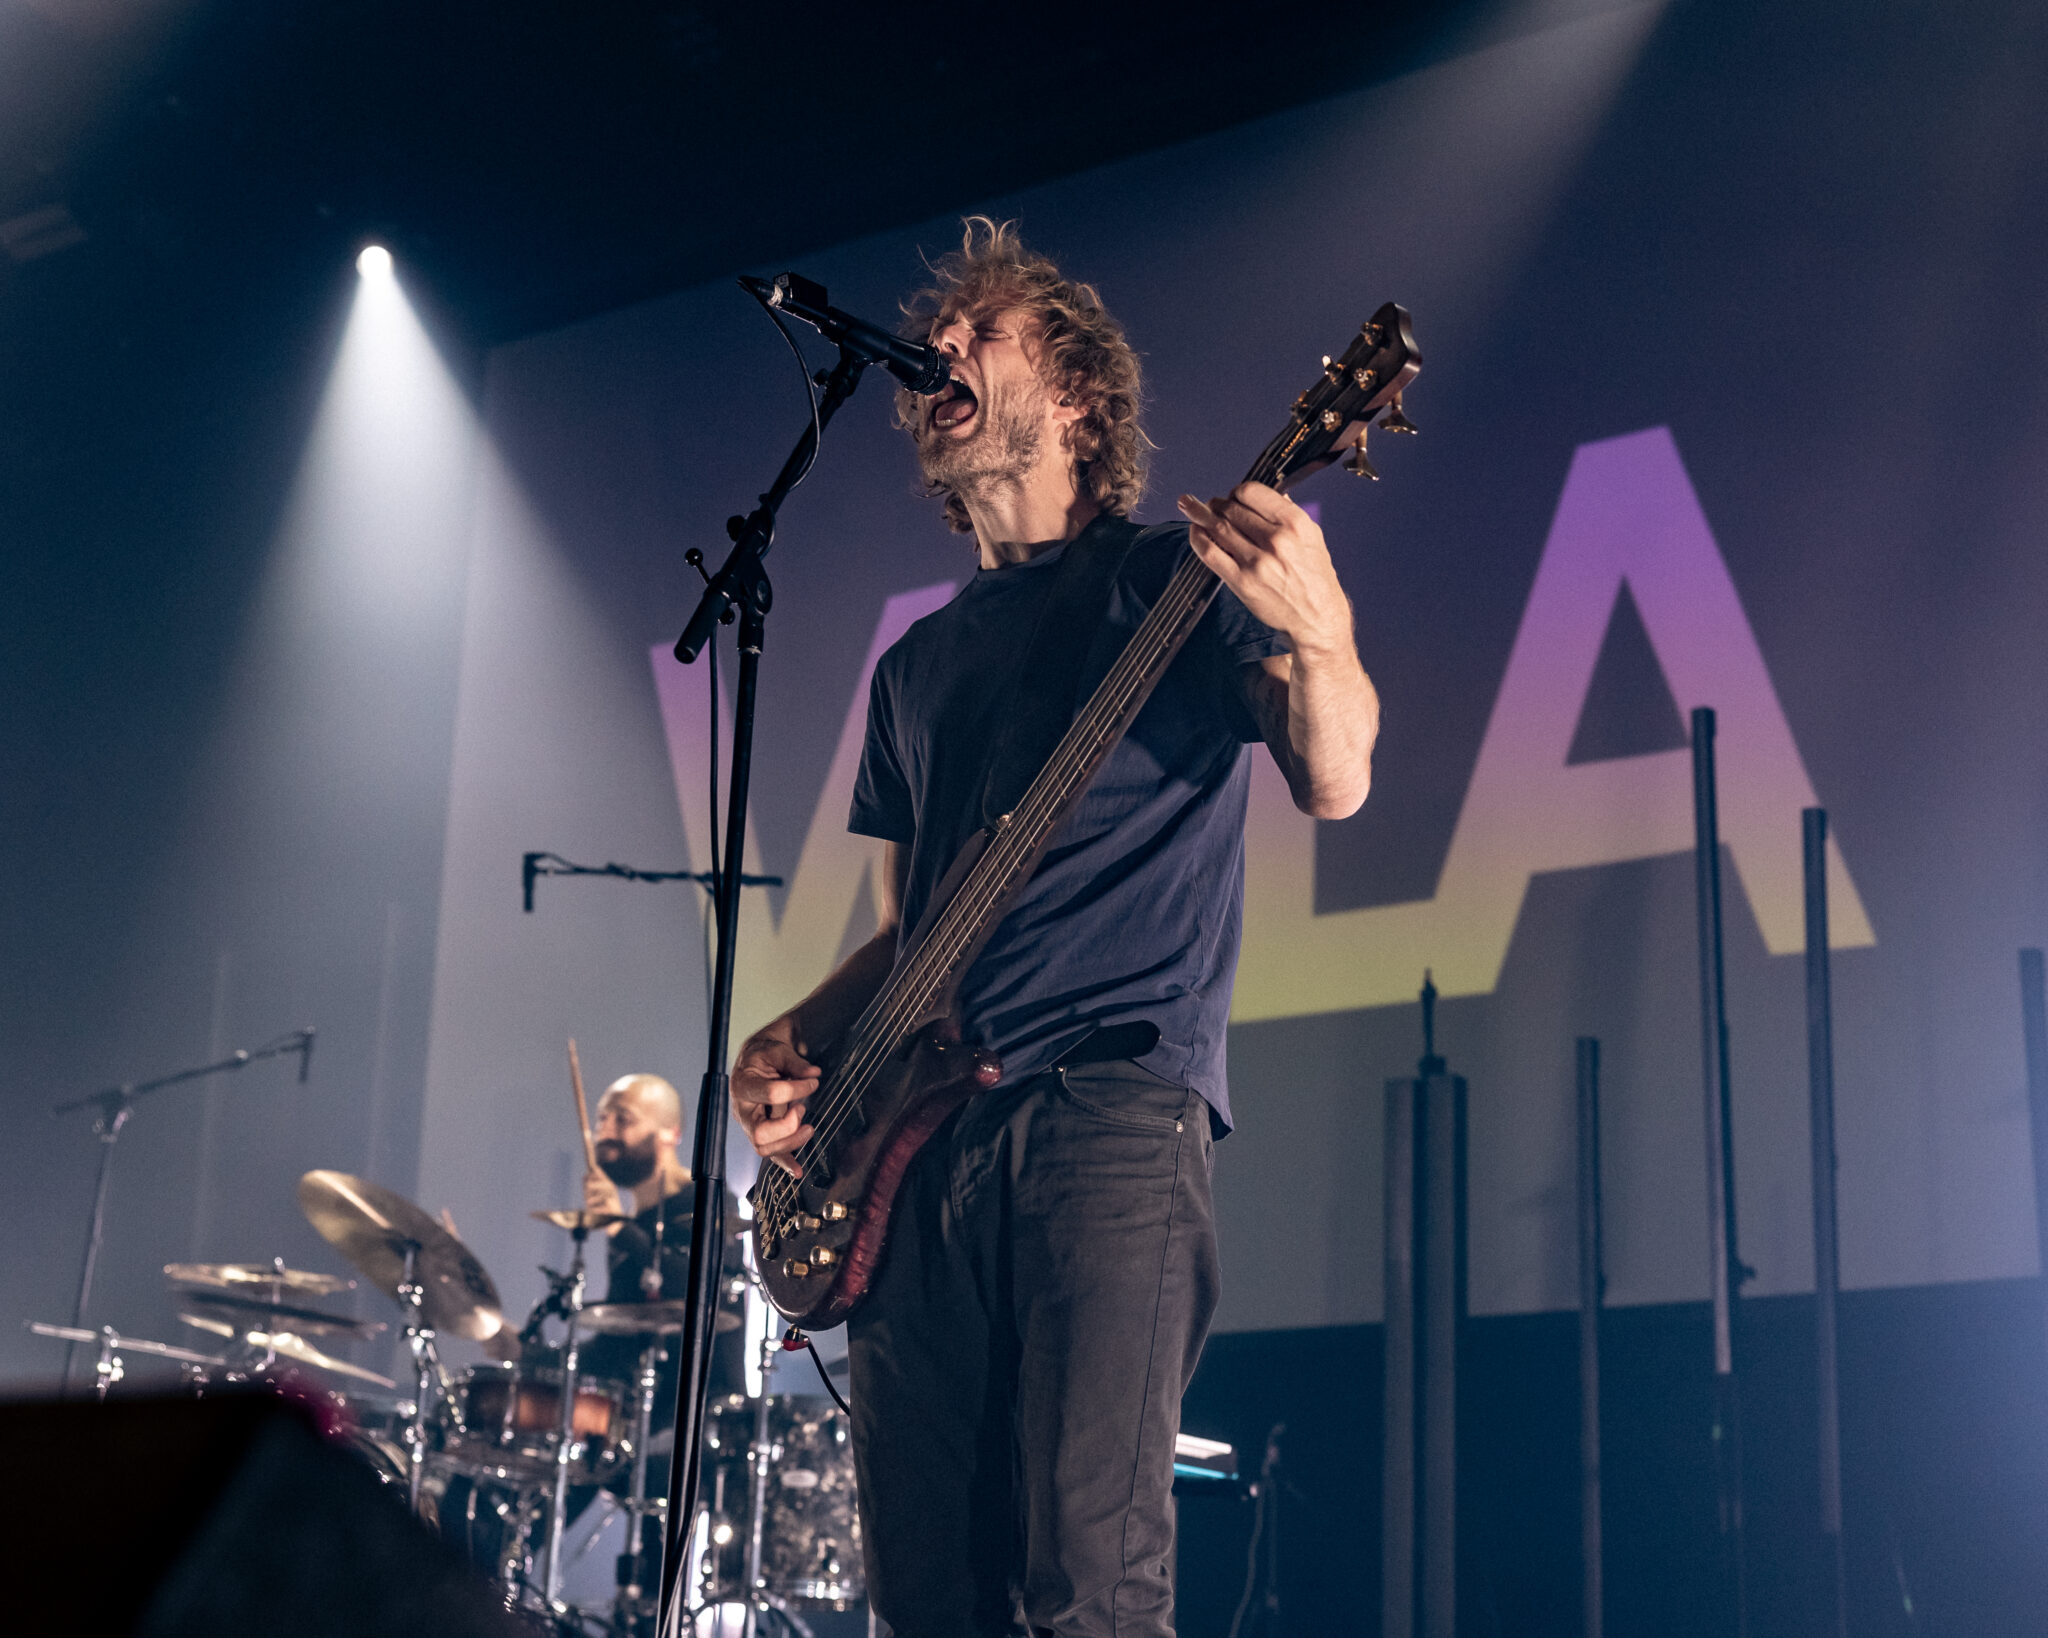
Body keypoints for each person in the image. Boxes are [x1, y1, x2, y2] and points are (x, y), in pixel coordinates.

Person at [729, 219, 1379, 1638]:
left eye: (982, 331)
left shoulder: (1172, 583)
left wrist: (1324, 638)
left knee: (1091, 1589)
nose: (939, 348)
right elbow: (913, 939)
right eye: (936, 336)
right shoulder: (915, 665)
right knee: (928, 1600)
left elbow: (1335, 778)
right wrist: (795, 1034)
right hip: (915, 1147)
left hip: (1107, 1117)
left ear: (1078, 396)